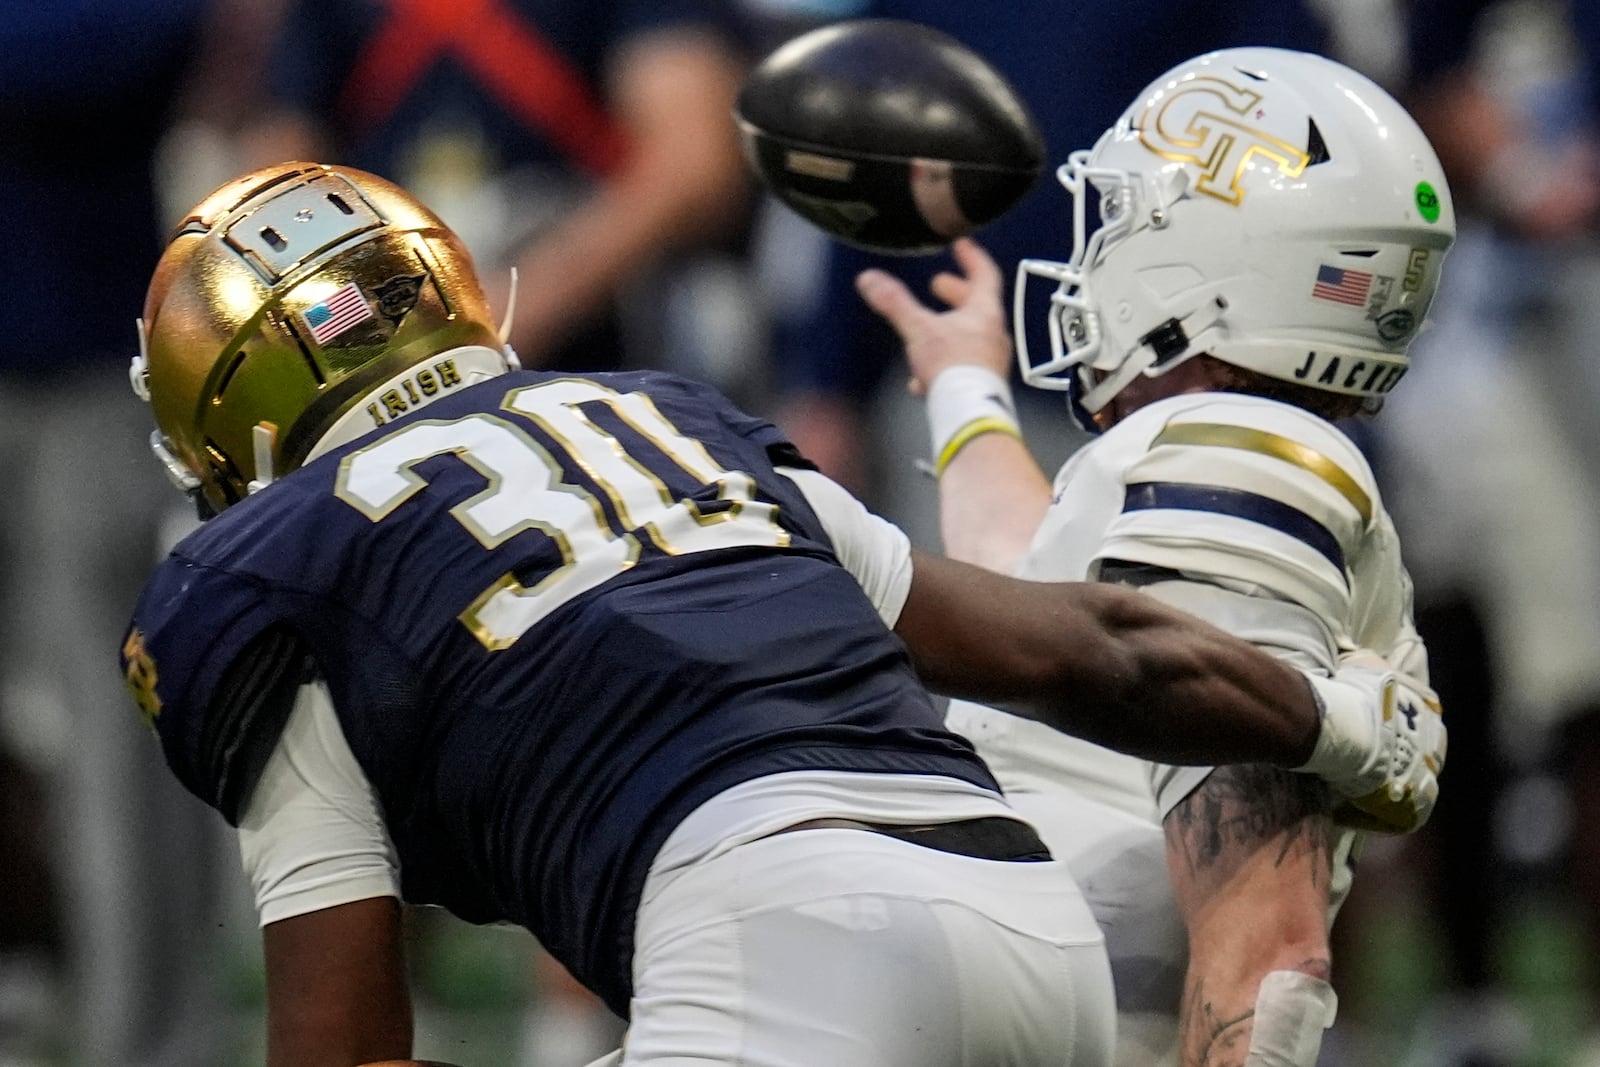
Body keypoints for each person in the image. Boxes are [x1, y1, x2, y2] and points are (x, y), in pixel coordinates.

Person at [121, 161, 1440, 1067]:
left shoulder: (264, 572)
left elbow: (343, 1046)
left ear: (225, 426)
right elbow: (1083, 644)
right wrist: (1340, 725)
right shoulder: (672, 418)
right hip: (1036, 945)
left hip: (782, 956)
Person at [858, 47, 1453, 1067]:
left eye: (1128, 215)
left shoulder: (1248, 458)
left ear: (1214, 258)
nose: (1099, 252)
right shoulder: (1222, 470)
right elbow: (1032, 581)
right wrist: (965, 389)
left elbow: (1266, 955)